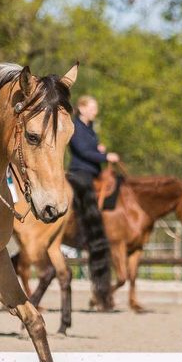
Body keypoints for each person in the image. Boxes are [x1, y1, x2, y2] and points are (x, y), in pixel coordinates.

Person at [67, 95, 118, 307]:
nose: (95, 111)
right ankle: (85, 227)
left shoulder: (89, 128)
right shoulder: (75, 127)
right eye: (93, 107)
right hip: (80, 173)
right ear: (82, 108)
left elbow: (90, 150)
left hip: (93, 172)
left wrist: (100, 151)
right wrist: (105, 157)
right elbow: (82, 151)